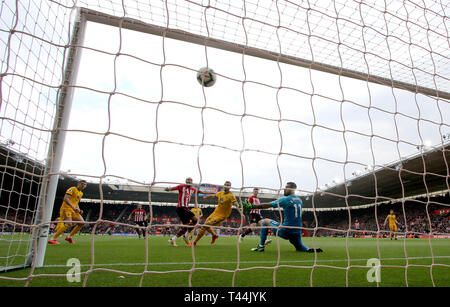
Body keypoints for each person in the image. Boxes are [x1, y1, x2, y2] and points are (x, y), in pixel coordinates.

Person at [242, 182, 323, 253]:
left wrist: (253, 206)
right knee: (300, 247)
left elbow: (266, 205)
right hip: (297, 231)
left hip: (286, 231)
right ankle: (308, 249)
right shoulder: (299, 200)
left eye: (286, 187)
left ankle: (261, 246)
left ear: (292, 189)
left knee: (265, 221)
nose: (284, 189)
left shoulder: (285, 199)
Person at [193, 181, 243, 246]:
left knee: (205, 225)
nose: (226, 186)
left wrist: (241, 213)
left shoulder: (231, 196)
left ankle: (194, 242)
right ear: (224, 185)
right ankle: (214, 235)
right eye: (225, 184)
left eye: (228, 185)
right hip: (215, 213)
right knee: (206, 225)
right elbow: (214, 195)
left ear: (230, 187)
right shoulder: (220, 193)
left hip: (222, 216)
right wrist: (206, 197)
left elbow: (236, 204)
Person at [48, 180, 87, 245]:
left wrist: (78, 209)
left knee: (82, 223)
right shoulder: (72, 189)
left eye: (85, 184)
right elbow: (66, 199)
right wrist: (73, 208)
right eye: (82, 184)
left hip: (73, 210)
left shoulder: (81, 193)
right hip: (66, 209)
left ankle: (69, 237)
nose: (83, 185)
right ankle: (53, 239)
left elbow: (76, 202)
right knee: (69, 224)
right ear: (78, 184)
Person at [165, 177, 199, 247]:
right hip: (181, 207)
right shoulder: (181, 186)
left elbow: (201, 192)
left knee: (186, 226)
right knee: (196, 219)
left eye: (190, 180)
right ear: (186, 181)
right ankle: (186, 236)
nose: (189, 181)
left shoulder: (193, 189)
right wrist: (168, 189)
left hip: (183, 209)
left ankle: (173, 239)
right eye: (188, 180)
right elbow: (174, 188)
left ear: (192, 182)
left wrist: (212, 193)